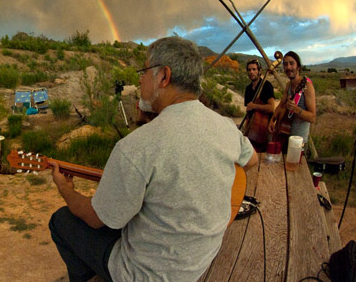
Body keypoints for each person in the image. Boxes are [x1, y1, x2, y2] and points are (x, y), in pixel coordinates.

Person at [49, 36, 258, 282]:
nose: (140, 79)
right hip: (202, 259)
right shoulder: (224, 126)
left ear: (163, 76)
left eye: (144, 71)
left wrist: (65, 190)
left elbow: (97, 219)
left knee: (61, 220)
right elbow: (252, 159)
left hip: (147, 275)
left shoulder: (136, 146)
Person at [268, 51, 316, 152]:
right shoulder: (288, 86)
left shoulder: (307, 86)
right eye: (285, 64)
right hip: (285, 138)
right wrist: (273, 120)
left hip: (299, 143)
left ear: (298, 66)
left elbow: (312, 117)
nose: (288, 67)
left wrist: (296, 109)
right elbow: (281, 105)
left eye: (291, 63)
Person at [243, 59, 275, 150]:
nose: (251, 72)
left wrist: (255, 106)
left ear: (259, 71)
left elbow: (271, 108)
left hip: (265, 127)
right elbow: (249, 110)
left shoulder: (266, 85)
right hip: (252, 127)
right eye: (249, 70)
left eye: (254, 69)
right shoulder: (248, 89)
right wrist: (247, 126)